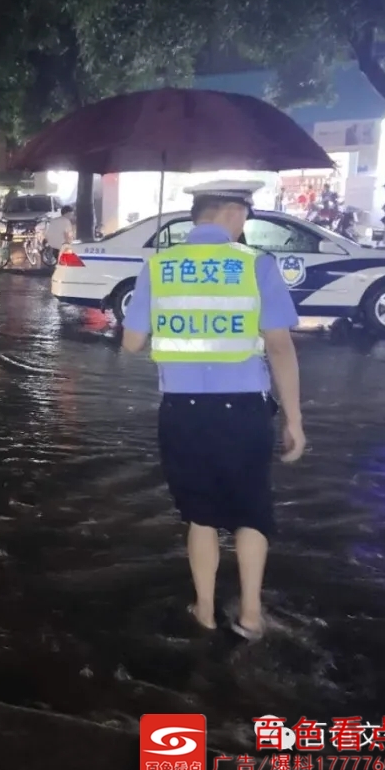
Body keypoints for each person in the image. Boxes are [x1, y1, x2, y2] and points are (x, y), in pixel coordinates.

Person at [120, 180, 306, 642]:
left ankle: (203, 612)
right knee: (251, 511)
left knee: (199, 515)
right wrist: (295, 420)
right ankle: (250, 615)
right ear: (230, 213)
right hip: (243, 411)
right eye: (246, 212)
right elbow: (280, 348)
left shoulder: (158, 267)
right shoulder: (257, 265)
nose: (246, 220)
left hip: (182, 411)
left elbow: (132, 343)